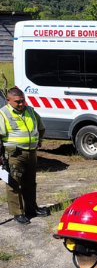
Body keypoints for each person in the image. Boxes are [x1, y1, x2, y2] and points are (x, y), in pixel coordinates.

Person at [0, 87, 48, 225]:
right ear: (8, 101)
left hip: (31, 152)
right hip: (14, 154)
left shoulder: (30, 111)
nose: (21, 104)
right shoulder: (3, 114)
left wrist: (39, 140)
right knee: (14, 183)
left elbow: (41, 127)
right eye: (17, 102)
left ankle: (31, 209)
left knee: (30, 182)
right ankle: (17, 213)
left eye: (23, 101)